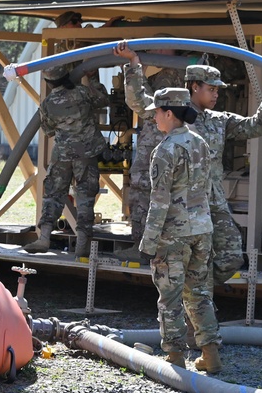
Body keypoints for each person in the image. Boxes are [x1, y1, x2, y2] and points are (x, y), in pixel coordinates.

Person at [186, 63, 262, 286]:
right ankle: (193, 301)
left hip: (213, 200)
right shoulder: (174, 116)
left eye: (218, 90)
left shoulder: (218, 120)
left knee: (231, 254)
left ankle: (195, 292)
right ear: (195, 86)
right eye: (211, 89)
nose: (216, 94)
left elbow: (256, 126)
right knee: (191, 257)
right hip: (186, 204)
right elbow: (140, 103)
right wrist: (133, 66)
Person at [137, 87, 220, 372]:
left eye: (157, 113)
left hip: (174, 233)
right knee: (198, 293)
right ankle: (210, 354)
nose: (154, 119)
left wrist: (148, 243)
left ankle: (174, 355)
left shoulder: (165, 151)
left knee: (170, 297)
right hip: (202, 228)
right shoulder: (200, 142)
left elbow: (159, 201)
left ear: (169, 113)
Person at [21, 64, 108, 258]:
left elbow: (49, 130)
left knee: (53, 193)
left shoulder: (47, 103)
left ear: (48, 82)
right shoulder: (83, 93)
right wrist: (93, 78)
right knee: (85, 197)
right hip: (86, 153)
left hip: (61, 154)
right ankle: (82, 244)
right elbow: (103, 99)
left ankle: (44, 237)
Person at [112, 41, 185, 262]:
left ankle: (145, 248)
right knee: (156, 194)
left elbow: (140, 102)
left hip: (158, 144)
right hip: (166, 145)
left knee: (146, 192)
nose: (156, 53)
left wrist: (136, 66)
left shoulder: (168, 78)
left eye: (158, 49)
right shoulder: (182, 77)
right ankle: (152, 248)